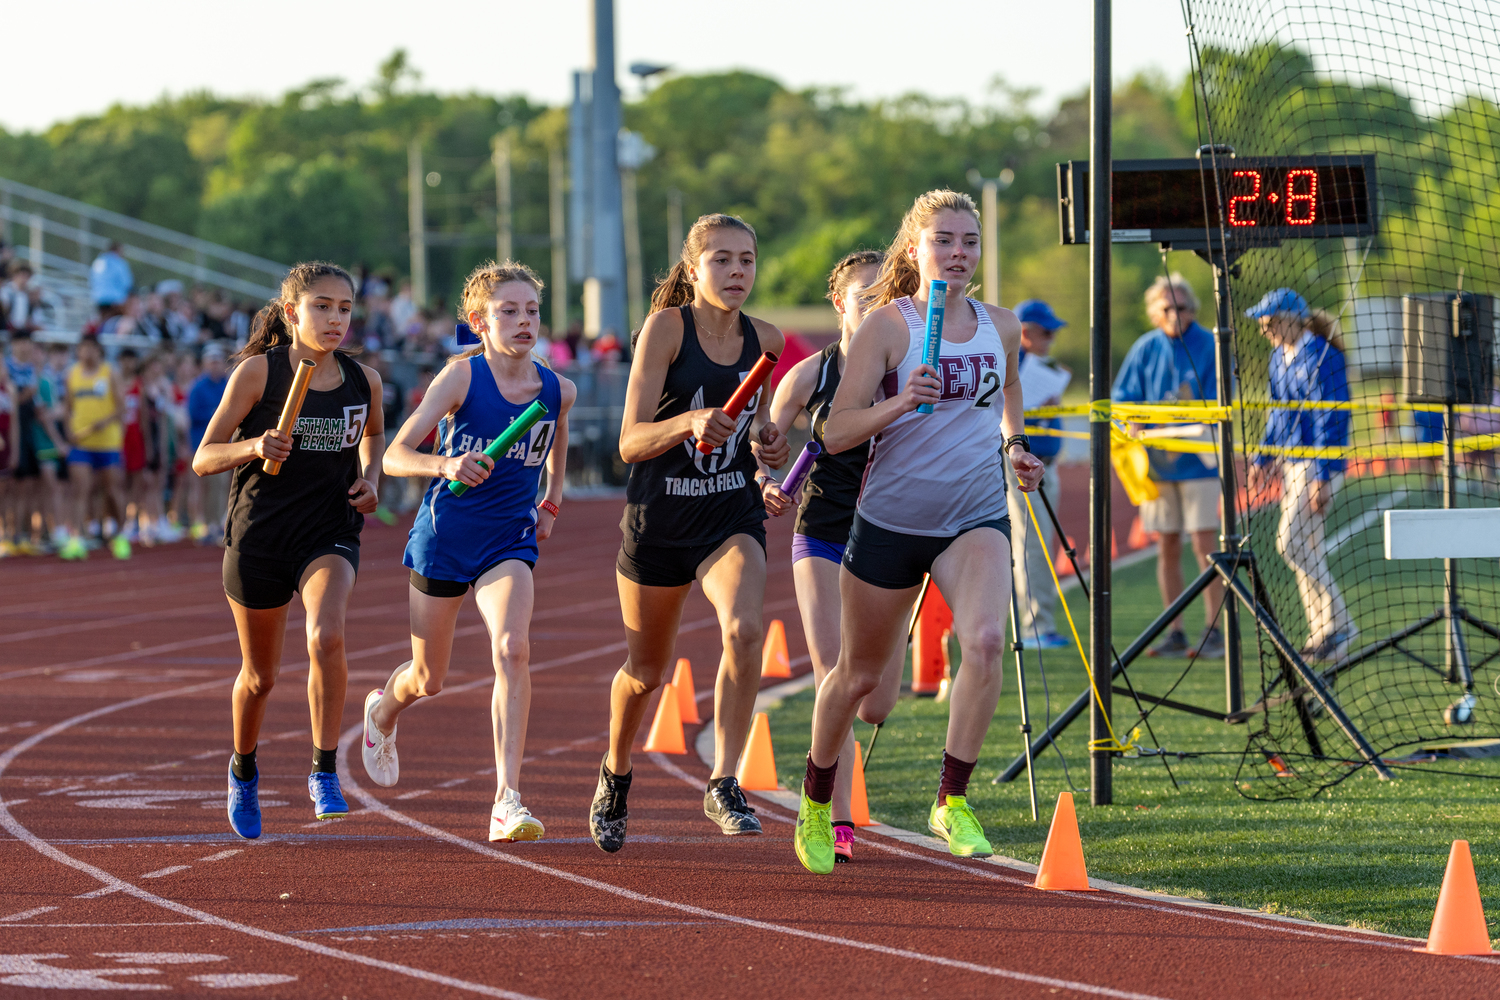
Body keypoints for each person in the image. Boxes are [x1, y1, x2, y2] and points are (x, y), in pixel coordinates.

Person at [792, 190, 1044, 874]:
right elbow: (835, 431)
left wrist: (1016, 444)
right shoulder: (886, 327)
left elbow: (1010, 388)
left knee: (988, 641)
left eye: (969, 241)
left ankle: (951, 800)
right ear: (916, 249)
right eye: (944, 241)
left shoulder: (1002, 323)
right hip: (892, 520)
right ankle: (816, 801)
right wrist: (904, 399)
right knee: (861, 682)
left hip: (974, 515)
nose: (958, 253)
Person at [589, 213, 790, 854]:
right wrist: (690, 422)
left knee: (745, 628)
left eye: (747, 260)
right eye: (723, 260)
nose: (737, 272)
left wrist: (768, 446)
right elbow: (628, 442)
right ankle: (615, 773)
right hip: (659, 521)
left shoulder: (768, 338)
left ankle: (724, 779)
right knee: (646, 673)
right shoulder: (666, 330)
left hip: (729, 514)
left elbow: (757, 434)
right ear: (693, 267)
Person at [361, 261, 575, 842]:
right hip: (445, 537)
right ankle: (382, 711)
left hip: (508, 540)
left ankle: (507, 799)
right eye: (509, 311)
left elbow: (555, 452)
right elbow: (397, 454)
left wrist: (551, 501)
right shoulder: (461, 379)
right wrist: (446, 463)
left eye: (531, 310)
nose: (524, 321)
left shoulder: (558, 389)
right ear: (480, 322)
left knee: (513, 648)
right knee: (429, 678)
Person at [192, 261, 384, 840]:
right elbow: (204, 456)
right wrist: (255, 444)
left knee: (326, 635)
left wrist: (372, 478)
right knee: (260, 676)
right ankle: (243, 768)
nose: (334, 319)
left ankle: (324, 769)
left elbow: (374, 435)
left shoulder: (363, 379)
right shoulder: (259, 373)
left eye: (344, 308)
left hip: (329, 530)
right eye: (322, 306)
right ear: (290, 312)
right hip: (259, 536)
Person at [762, 249, 903, 863]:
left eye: (883, 296)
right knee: (832, 674)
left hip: (892, 534)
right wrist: (766, 474)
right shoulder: (809, 375)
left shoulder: (905, 371)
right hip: (820, 531)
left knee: (875, 700)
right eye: (861, 295)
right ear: (838, 301)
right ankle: (831, 816)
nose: (872, 305)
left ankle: (829, 798)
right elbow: (763, 442)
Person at [1113, 274, 1224, 659]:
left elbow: (1215, 399)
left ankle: (1215, 630)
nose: (1175, 314)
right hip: (1158, 466)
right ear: (1154, 312)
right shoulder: (1145, 348)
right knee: (1168, 546)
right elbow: (1123, 398)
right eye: (1167, 308)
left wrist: (1174, 419)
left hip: (1200, 461)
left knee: (1206, 546)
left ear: (1193, 309)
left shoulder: (1210, 345)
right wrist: (1134, 420)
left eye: (1182, 307)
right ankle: (1174, 629)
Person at [1246, 288, 1357, 661]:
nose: (1265, 330)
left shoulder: (1324, 357)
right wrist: (1262, 459)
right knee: (1306, 549)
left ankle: (1341, 624)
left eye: (1270, 321)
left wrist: (1323, 477)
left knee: (1289, 544)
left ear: (1292, 318)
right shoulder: (1279, 357)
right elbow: (1279, 413)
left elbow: (1334, 419)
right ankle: (1322, 632)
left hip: (1318, 465)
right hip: (1293, 465)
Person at [1008, 299, 1072, 650]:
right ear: (1025, 332)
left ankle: (1036, 622)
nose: (1051, 339)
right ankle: (1034, 627)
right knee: (1031, 542)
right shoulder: (1013, 366)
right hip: (1025, 463)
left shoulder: (1039, 366)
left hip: (1045, 461)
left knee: (1037, 541)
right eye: (1046, 332)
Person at [64, 334, 131, 560]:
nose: (87, 352)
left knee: (112, 491)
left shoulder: (109, 372)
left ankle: (120, 536)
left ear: (98, 351)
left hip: (108, 443)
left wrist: (105, 421)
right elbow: (68, 407)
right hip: (82, 444)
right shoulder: (72, 374)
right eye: (83, 348)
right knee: (80, 490)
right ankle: (77, 539)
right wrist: (68, 431)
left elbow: (122, 407)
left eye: (91, 348)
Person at [188, 345, 231, 544]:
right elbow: (193, 414)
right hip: (201, 444)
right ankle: (204, 523)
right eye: (211, 361)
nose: (215, 365)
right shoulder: (198, 387)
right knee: (202, 487)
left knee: (221, 485)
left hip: (224, 445)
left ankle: (217, 523)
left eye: (218, 361)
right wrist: (216, 414)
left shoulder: (228, 384)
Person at [90, 242, 134, 317]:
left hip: (99, 299)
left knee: (103, 322)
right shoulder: (120, 263)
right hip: (116, 301)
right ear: (118, 250)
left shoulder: (98, 262)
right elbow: (127, 283)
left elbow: (92, 280)